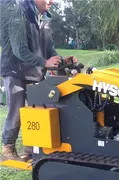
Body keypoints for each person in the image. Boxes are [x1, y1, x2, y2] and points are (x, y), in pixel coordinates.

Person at [0, 0, 77, 161]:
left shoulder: (46, 18)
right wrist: (44, 63)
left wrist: (62, 61)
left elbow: (49, 49)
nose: (52, 1)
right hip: (15, 71)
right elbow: (19, 49)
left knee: (40, 110)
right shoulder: (19, 14)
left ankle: (32, 149)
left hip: (35, 72)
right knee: (17, 111)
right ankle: (8, 148)